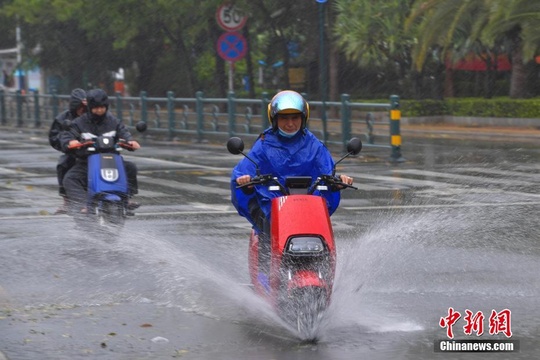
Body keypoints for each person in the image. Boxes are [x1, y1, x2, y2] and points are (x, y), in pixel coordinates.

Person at [230, 90, 354, 271]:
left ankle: (325, 270)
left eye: (295, 117)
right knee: (267, 227)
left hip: (308, 203)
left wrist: (338, 180)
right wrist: (244, 181)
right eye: (284, 118)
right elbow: (244, 171)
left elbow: (327, 170)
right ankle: (267, 272)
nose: (290, 123)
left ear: (304, 118)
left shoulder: (314, 145)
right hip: (271, 204)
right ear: (274, 119)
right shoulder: (264, 145)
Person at [60, 88, 141, 214]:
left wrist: (130, 141)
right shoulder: (79, 122)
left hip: (113, 161)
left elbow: (124, 133)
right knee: (70, 179)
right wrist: (70, 142)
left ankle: (125, 200)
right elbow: (68, 135)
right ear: (90, 107)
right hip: (87, 162)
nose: (99, 110)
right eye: (96, 107)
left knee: (130, 168)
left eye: (102, 107)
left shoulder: (114, 121)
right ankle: (83, 204)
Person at [48, 88, 87, 214]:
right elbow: (55, 137)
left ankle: (123, 196)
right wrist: (68, 144)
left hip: (97, 150)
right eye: (80, 107)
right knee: (63, 164)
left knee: (122, 164)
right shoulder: (63, 118)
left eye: (85, 106)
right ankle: (67, 200)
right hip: (75, 151)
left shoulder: (94, 116)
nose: (83, 110)